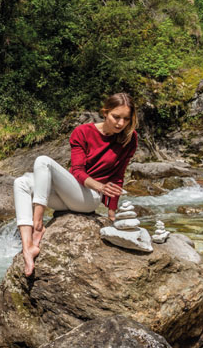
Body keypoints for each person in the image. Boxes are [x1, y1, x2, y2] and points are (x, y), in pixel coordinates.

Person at [13, 92, 139, 277]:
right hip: (71, 193)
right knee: (21, 182)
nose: (120, 123)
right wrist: (100, 186)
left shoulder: (130, 138)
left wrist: (112, 212)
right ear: (105, 112)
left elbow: (118, 175)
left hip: (88, 199)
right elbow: (77, 171)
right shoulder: (83, 132)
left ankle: (38, 225)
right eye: (116, 117)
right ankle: (28, 247)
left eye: (126, 119)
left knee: (43, 161)